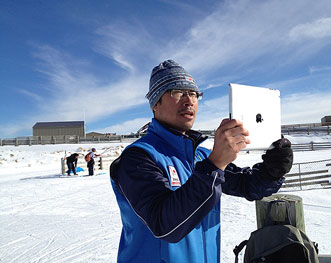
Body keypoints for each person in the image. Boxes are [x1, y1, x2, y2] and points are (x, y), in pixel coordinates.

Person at [110, 60, 293, 263]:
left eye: (194, 94)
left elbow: (247, 185)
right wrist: (215, 164)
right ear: (155, 104)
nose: (188, 101)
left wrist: (273, 170)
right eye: (176, 92)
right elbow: (165, 225)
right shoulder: (137, 157)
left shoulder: (200, 156)